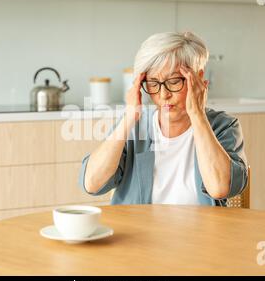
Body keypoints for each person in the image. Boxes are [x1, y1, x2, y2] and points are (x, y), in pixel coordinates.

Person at [78, 31, 248, 206]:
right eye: (153, 83)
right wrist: (129, 117)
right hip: (139, 231)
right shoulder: (135, 127)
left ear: (198, 78)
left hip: (200, 232)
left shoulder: (223, 126)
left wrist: (197, 115)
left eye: (174, 81)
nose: (163, 94)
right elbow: (92, 184)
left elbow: (220, 188)